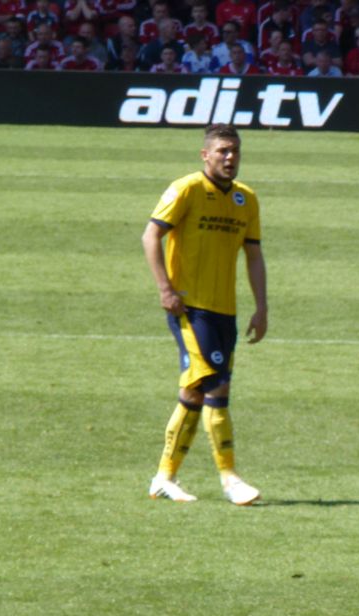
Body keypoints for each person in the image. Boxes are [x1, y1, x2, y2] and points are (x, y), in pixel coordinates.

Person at [142, 124, 268, 505]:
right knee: (217, 387)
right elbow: (151, 236)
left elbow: (254, 254)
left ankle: (164, 477)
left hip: (224, 311)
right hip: (189, 306)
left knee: (193, 392)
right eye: (223, 151)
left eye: (235, 151)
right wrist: (165, 288)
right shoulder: (186, 190)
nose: (230, 158)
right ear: (205, 155)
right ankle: (230, 479)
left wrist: (261, 307)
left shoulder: (246, 199)